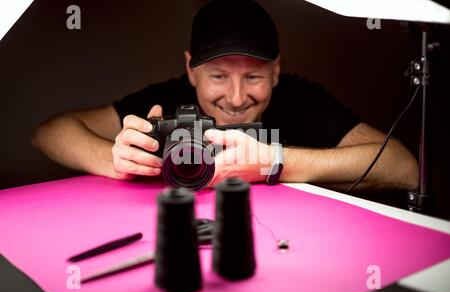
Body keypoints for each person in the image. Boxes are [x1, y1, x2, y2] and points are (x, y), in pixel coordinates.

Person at [31, 0, 418, 192]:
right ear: (191, 70)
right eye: (218, 76)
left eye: (253, 76)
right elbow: (48, 131)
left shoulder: (301, 97)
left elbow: (404, 167)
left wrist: (276, 162)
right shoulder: (166, 99)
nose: (236, 98)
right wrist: (116, 160)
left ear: (276, 70)